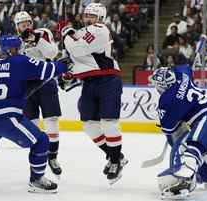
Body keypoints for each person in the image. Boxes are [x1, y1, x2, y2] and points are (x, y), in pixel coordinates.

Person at [0, 35, 67, 193]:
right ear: (14, 49)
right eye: (18, 47)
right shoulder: (20, 60)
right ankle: (37, 180)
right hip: (5, 117)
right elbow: (50, 70)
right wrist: (64, 64)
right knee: (41, 140)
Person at [60, 3, 128, 185]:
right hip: (89, 83)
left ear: (100, 19)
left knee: (109, 123)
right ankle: (116, 156)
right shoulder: (83, 31)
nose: (88, 18)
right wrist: (69, 73)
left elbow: (77, 49)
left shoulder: (99, 29)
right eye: (86, 15)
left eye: (92, 16)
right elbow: (76, 56)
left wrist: (66, 33)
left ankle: (114, 162)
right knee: (89, 125)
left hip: (108, 80)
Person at [151, 66, 207, 199]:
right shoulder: (182, 75)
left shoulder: (166, 100)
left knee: (191, 145)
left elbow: (171, 132)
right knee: (199, 148)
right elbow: (185, 67)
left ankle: (183, 179)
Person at [14, 11, 62, 176]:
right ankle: (37, 162)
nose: (26, 25)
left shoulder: (43, 33)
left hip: (46, 82)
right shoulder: (15, 42)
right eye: (22, 24)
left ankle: (53, 157)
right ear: (17, 26)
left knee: (51, 121)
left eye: (28, 22)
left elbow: (52, 54)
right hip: (26, 87)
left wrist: (36, 39)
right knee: (32, 127)